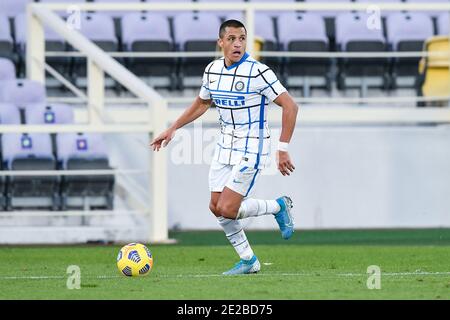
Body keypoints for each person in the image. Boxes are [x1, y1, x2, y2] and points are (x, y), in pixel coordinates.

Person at [151, 19, 299, 275]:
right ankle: (249, 260)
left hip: (252, 147)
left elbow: (290, 106)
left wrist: (282, 147)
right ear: (221, 42)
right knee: (216, 207)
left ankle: (278, 206)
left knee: (228, 209)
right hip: (224, 146)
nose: (238, 44)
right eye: (231, 39)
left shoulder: (258, 72)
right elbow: (201, 104)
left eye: (242, 38)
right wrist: (173, 127)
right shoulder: (212, 70)